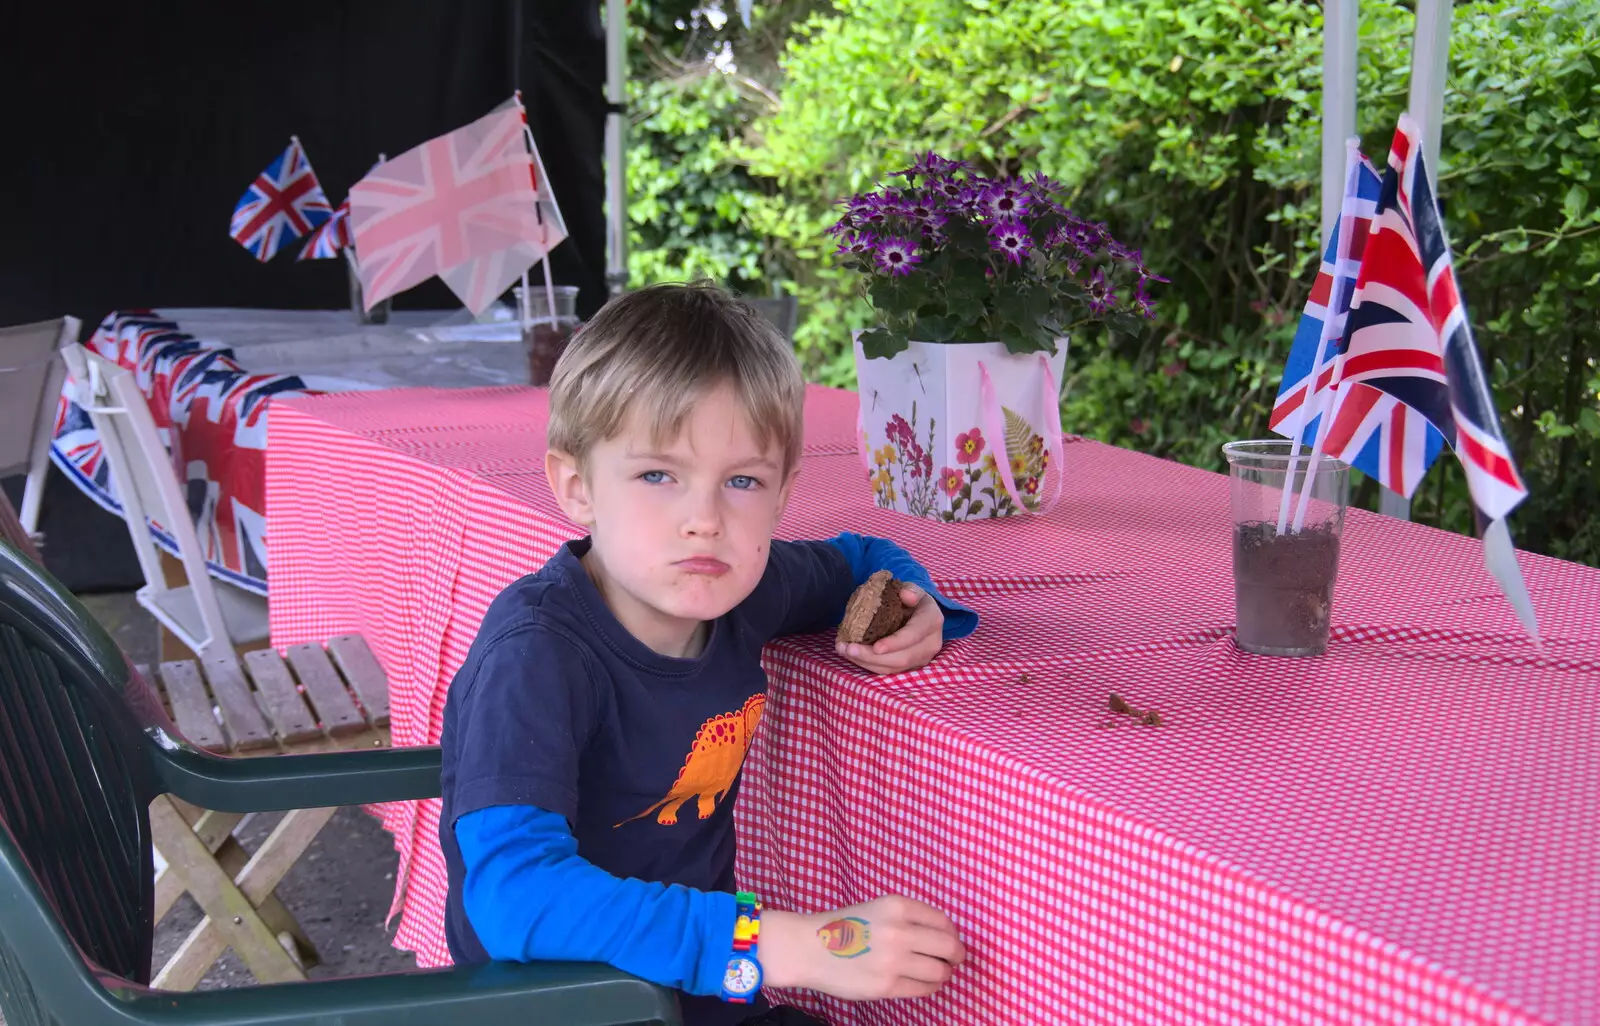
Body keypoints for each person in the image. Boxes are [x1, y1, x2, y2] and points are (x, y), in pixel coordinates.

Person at [439, 282, 976, 1025]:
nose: (705, 521)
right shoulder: (536, 654)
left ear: (784, 491)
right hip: (558, 1008)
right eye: (658, 475)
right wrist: (789, 946)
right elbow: (513, 902)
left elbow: (866, 556)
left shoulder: (741, 589)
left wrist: (919, 608)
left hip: (704, 1003)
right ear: (576, 486)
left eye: (742, 481)